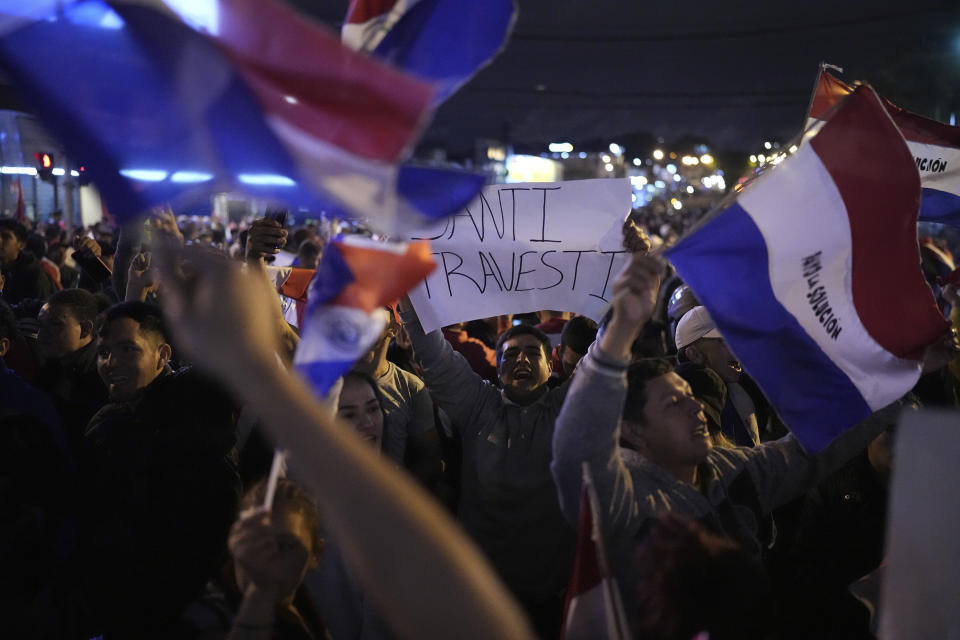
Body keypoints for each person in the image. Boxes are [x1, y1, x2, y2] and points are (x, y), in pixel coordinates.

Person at [151, 244, 533, 639]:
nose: (368, 423)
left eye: (373, 410)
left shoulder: (383, 526)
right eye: (282, 546)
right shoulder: (307, 514)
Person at [551, 252, 907, 612]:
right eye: (673, 404)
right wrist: (621, 330)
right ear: (633, 431)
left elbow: (808, 451)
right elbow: (575, 452)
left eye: (689, 396)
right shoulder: (622, 500)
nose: (694, 407)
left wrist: (901, 379)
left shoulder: (733, 469)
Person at [398, 298, 575, 638]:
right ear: (497, 366)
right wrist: (411, 300)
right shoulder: (479, 405)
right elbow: (434, 355)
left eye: (531, 352)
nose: (520, 359)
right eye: (509, 354)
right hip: (482, 593)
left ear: (551, 364)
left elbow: (606, 359)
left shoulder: (568, 407)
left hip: (556, 595)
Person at [77, 301, 242, 637]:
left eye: (128, 349)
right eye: (104, 352)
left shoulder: (192, 416)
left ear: (163, 355)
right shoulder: (118, 417)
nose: (112, 363)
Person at [178, 479, 329, 640]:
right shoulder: (207, 618)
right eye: (253, 541)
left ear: (315, 554)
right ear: (236, 540)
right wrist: (261, 591)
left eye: (284, 546)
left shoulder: (304, 605)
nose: (265, 558)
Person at [354, 309, 442, 488]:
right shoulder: (330, 379)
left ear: (394, 329)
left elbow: (430, 459)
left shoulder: (411, 387)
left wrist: (393, 494)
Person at [34, 288, 108, 447]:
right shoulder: (50, 364)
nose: (43, 333)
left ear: (86, 329)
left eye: (55, 325)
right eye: (40, 324)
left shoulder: (103, 374)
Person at [0, 218, 55, 304]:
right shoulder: (4, 269)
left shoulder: (33, 272)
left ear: (21, 244)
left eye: (6, 237)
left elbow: (40, 310)